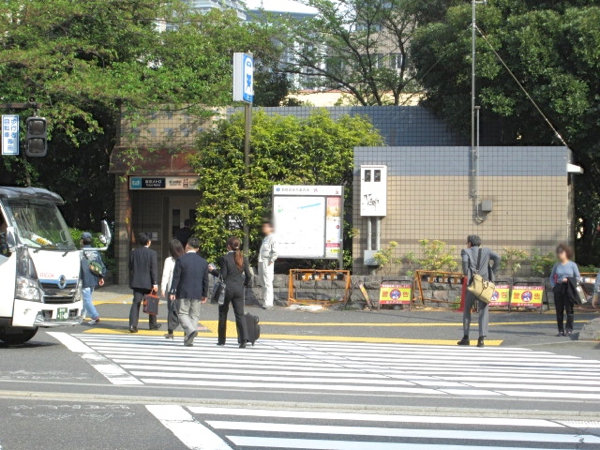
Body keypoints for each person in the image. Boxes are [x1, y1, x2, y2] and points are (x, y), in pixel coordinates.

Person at [458, 235, 501, 348]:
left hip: (472, 284)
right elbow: (498, 258)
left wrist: (467, 273)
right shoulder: (486, 251)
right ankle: (481, 339)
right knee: (483, 310)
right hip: (484, 285)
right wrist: (491, 271)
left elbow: (465, 263)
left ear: (469, 243)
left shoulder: (466, 251)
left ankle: (466, 337)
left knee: (467, 309)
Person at [209, 236, 253, 348]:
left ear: (228, 246)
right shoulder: (243, 258)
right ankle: (243, 340)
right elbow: (249, 275)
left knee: (223, 313)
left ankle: (221, 340)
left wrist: (213, 271)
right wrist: (244, 284)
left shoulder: (225, 258)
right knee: (240, 315)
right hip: (239, 289)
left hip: (227, 289)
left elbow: (223, 276)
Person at [170, 237, 209, 347]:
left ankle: (191, 331)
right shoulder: (203, 262)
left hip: (184, 291)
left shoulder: (181, 260)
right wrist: (205, 294)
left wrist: (173, 291)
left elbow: (176, 277)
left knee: (183, 313)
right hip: (197, 292)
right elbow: (205, 279)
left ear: (187, 245)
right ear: (198, 249)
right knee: (194, 315)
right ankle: (189, 340)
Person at [129, 232, 160, 333]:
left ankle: (133, 325)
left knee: (136, 303)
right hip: (148, 282)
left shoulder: (133, 253)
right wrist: (155, 283)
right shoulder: (152, 253)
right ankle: (152, 324)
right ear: (148, 242)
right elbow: (153, 269)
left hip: (137, 282)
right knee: (152, 302)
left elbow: (130, 266)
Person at [549, 243, 581, 336]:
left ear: (567, 253)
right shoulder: (557, 265)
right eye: (558, 253)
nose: (560, 255)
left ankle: (569, 329)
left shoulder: (572, 265)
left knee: (569, 309)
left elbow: (578, 277)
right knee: (559, 310)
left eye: (561, 252)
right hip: (559, 287)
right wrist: (554, 286)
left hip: (569, 288)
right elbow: (551, 277)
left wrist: (568, 279)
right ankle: (560, 330)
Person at [80, 232, 106, 325]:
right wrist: (101, 277)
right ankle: (82, 315)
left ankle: (95, 316)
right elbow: (100, 265)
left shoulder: (80, 252)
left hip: (84, 278)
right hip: (94, 278)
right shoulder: (95, 251)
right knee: (87, 298)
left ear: (82, 241)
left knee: (87, 299)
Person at [161, 239, 185, 340]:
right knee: (184, 311)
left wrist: (163, 287)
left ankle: (170, 331)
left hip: (172, 289)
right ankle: (186, 332)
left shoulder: (169, 260)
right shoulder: (185, 259)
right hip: (184, 289)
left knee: (171, 310)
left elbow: (165, 275)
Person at [258, 221, 278, 310]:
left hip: (267, 262)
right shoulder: (265, 238)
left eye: (266, 227)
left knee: (268, 282)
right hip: (261, 261)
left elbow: (275, 251)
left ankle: (269, 303)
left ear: (271, 228)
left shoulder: (273, 238)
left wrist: (272, 260)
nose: (264, 228)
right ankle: (265, 301)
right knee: (262, 281)